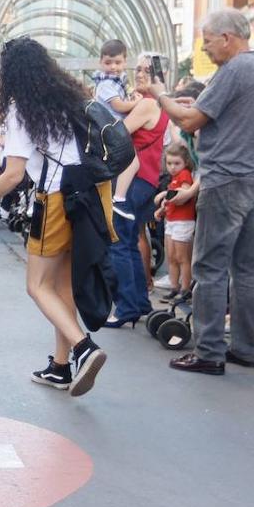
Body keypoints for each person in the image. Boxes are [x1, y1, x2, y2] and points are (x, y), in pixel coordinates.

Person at [0, 37, 109, 397]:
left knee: (37, 286)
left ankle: (85, 349)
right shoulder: (72, 98)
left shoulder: (24, 110)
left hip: (54, 201)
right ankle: (60, 366)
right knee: (63, 287)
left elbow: (12, 175)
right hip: (87, 199)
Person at [147, 8, 254, 374]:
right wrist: (191, 104)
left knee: (210, 266)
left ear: (227, 38)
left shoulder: (234, 70)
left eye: (208, 42)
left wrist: (160, 95)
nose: (206, 50)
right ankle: (246, 348)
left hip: (226, 179)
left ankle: (209, 352)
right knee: (245, 268)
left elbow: (188, 121)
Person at [105, 55, 168, 327]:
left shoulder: (146, 103)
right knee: (129, 242)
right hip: (147, 180)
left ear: (159, 75)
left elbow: (118, 134)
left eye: (146, 70)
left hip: (134, 180)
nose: (139, 74)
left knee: (119, 242)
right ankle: (139, 303)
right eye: (138, 69)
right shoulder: (162, 104)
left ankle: (126, 307)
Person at [92, 39, 141, 219]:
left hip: (111, 129)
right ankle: (118, 199)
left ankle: (116, 197)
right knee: (132, 162)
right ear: (100, 62)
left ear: (125, 62)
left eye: (118, 62)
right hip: (111, 130)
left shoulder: (115, 82)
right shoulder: (106, 84)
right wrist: (137, 102)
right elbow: (119, 106)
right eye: (108, 62)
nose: (113, 67)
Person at [153, 143, 197, 301]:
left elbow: (183, 193)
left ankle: (185, 289)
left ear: (185, 162)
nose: (172, 167)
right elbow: (173, 200)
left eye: (176, 163)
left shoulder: (185, 174)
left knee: (182, 257)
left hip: (183, 221)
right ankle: (174, 286)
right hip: (172, 220)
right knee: (171, 257)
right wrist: (162, 209)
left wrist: (165, 193)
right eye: (169, 163)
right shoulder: (174, 178)